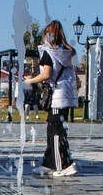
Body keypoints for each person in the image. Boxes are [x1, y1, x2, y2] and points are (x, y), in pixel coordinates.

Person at [23, 20, 78, 176]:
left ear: (49, 35)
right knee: (55, 130)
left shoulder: (49, 53)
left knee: (55, 133)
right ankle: (49, 163)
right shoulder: (66, 52)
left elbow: (46, 74)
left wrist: (30, 81)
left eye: (46, 34)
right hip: (65, 96)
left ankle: (63, 166)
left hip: (57, 97)